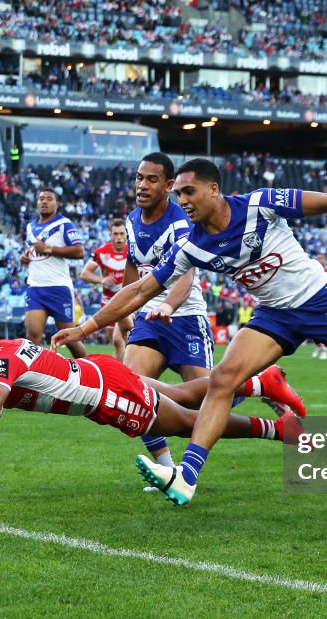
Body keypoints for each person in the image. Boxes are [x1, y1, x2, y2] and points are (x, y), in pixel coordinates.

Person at [53, 158, 327, 506]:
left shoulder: (261, 203)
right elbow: (140, 289)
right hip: (272, 315)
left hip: (319, 302)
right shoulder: (192, 244)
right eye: (179, 193)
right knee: (223, 379)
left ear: (212, 189)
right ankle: (187, 477)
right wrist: (88, 326)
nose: (182, 199)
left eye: (188, 191)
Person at [0, 309, 306, 486]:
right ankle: (265, 383)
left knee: (190, 422)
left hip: (107, 395)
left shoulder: (2, 363)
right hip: (98, 372)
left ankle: (276, 429)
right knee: (186, 392)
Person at [121, 152, 219, 472]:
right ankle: (168, 468)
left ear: (168, 185)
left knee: (204, 400)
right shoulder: (132, 220)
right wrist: (126, 310)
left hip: (186, 317)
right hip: (150, 318)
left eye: (151, 179)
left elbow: (186, 275)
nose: (142, 185)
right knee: (132, 390)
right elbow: (132, 266)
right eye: (139, 178)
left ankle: (259, 383)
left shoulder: (182, 222)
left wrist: (168, 304)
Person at [19, 187, 87, 357]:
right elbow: (35, 250)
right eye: (41, 198)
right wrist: (25, 257)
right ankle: (32, 379)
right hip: (35, 287)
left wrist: (48, 248)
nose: (44, 201)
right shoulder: (30, 226)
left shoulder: (64, 224)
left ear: (57, 204)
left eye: (49, 199)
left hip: (58, 288)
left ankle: (93, 370)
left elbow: (79, 252)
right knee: (32, 337)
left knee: (69, 338)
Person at [80, 217, 130, 360]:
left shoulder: (134, 250)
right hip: (109, 302)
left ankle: (128, 374)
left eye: (122, 234)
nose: (119, 238)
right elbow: (84, 274)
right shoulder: (101, 252)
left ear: (126, 234)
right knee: (115, 342)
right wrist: (102, 280)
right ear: (110, 235)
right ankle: (123, 372)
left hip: (130, 301)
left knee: (122, 340)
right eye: (115, 234)